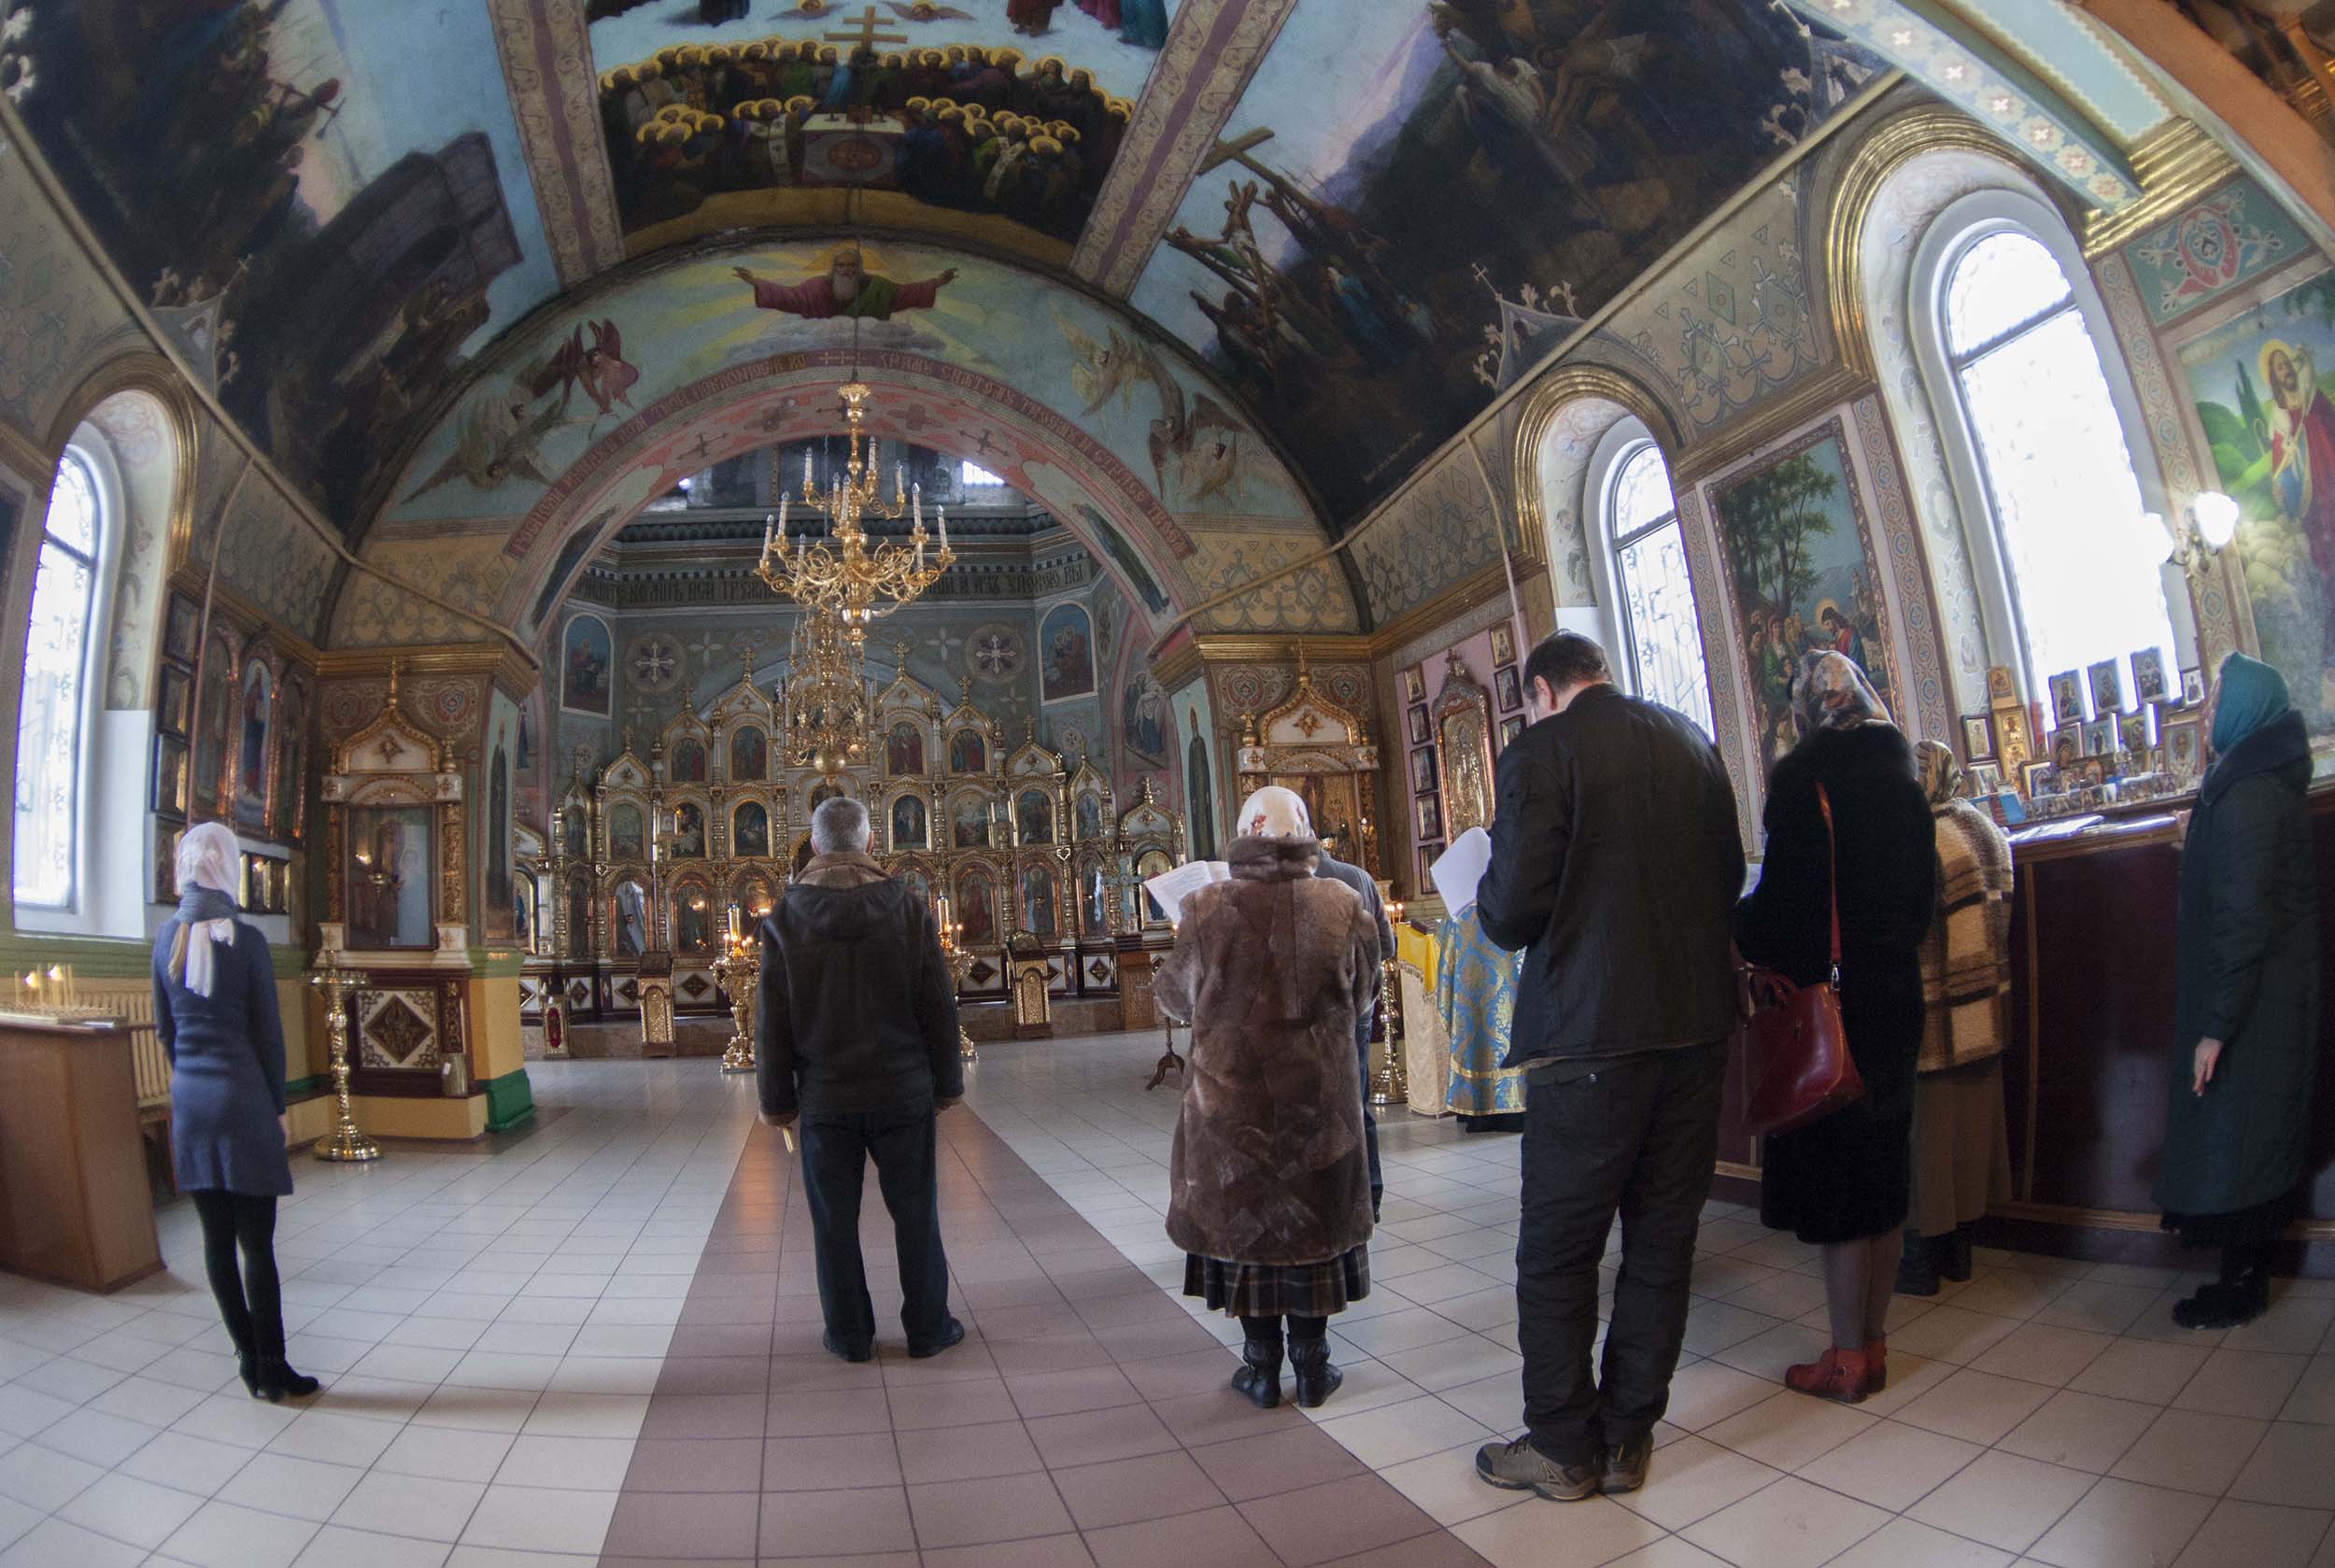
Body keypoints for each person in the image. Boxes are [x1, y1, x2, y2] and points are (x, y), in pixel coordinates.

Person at [1472, 631, 1745, 1503]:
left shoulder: (1542, 750)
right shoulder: (1692, 742)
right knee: (1663, 1241)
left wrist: (1485, 883)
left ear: (1543, 691)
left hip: (1589, 1037)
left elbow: (1511, 911)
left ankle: (1560, 1443)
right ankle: (1627, 1438)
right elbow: (1729, 874)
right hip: (1697, 1033)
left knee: (1558, 1250)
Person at [1737, 653, 1935, 1404]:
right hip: (1895, 996)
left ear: (1804, 711)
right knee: (1885, 1176)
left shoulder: (1802, 783)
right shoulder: (1903, 777)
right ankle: (1875, 1342)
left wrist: (1739, 925)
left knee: (1845, 1184)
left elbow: (1782, 916)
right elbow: (1922, 906)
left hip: (1835, 1007)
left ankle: (1846, 1357)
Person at [1156, 790, 1380, 1411]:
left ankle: (1260, 1370)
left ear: (1243, 834)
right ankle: (1314, 1367)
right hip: (1320, 1104)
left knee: (1248, 1231)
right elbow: (1366, 995)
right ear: (1304, 832)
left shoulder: (1205, 907)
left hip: (1232, 1109)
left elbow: (1175, 998)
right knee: (1313, 1230)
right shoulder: (1344, 901)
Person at [757, 797, 966, 1362]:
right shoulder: (907, 908)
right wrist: (948, 1083)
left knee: (833, 1224)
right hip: (903, 1090)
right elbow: (938, 1005)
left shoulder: (784, 920)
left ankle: (849, 1336)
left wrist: (777, 1103)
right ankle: (927, 1328)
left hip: (826, 1098)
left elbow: (771, 1023)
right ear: (872, 843)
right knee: (916, 1212)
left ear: (816, 844)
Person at [2155, 653, 2321, 1328]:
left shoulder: (2247, 793)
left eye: (2217, 693)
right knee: (2243, 1140)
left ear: (2245, 704)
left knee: (2242, 1141)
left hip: (2255, 1009)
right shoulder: (2249, 783)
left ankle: (2243, 1284)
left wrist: (2215, 1027)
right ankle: (2238, 1277)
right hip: (2262, 1000)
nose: (2205, 706)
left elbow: (2245, 920)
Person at [152, 822, 317, 1404]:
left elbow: (166, 1034)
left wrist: (190, 1076)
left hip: (190, 1105)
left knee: (215, 1243)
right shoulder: (245, 942)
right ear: (229, 869)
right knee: (258, 1246)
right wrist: (275, 1104)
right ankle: (276, 1367)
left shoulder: (164, 937)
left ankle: (247, 1361)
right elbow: (268, 1038)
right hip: (243, 1100)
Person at [1897, 741, 2014, 1295]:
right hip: (1985, 1006)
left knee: (1929, 1134)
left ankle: (1922, 1258)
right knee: (1973, 1130)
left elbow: (1910, 929)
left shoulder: (1922, 837)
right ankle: (1961, 1251)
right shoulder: (1983, 827)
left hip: (1938, 1008)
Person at [1300, 798, 1397, 1221]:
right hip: (1355, 1010)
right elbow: (1387, 948)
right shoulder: (1358, 877)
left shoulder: (1281, 886)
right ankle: (1369, 1196)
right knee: (1354, 1105)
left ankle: (1321, 1201)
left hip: (1304, 1017)